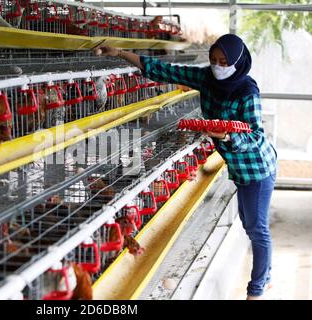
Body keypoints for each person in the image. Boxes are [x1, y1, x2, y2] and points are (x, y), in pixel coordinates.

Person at [94, 34, 278, 300]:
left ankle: (256, 291)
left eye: (224, 61)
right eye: (214, 60)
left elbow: (256, 137)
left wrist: (226, 135)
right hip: (238, 167)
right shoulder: (207, 79)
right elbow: (166, 70)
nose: (217, 65)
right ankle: (266, 276)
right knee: (252, 223)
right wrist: (121, 53)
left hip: (257, 169)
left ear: (237, 61)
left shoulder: (247, 92)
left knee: (255, 229)